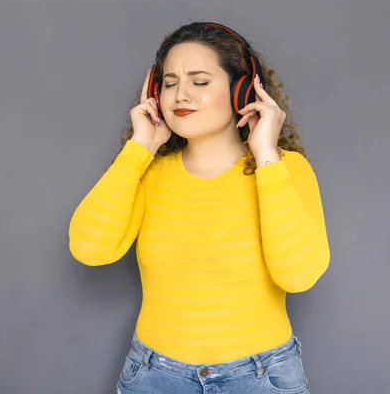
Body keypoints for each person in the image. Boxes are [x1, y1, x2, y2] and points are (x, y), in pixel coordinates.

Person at [68, 21, 330, 394]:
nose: (180, 96)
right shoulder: (147, 172)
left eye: (200, 81)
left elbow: (299, 275)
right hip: (155, 376)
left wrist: (267, 155)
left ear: (242, 91)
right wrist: (139, 148)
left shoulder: (285, 169)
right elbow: (89, 249)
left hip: (261, 378)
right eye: (170, 83)